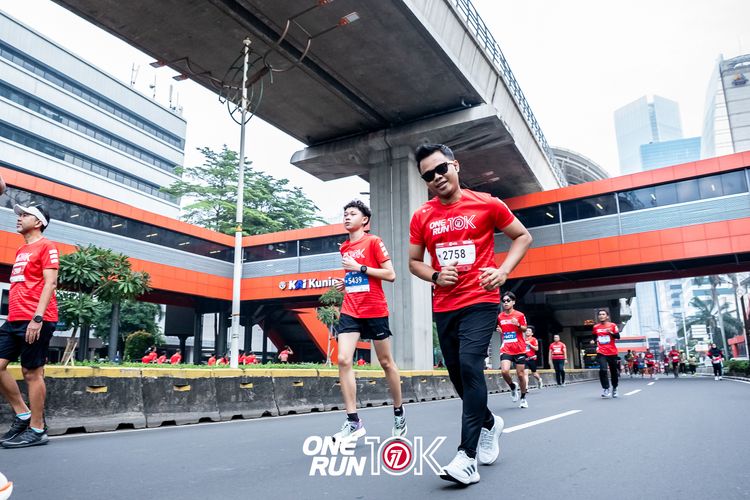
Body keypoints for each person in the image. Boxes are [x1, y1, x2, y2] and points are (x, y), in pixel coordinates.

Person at [409, 144, 532, 485]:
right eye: (428, 175)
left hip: (480, 299)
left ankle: (467, 457)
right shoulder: (422, 216)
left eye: (441, 169)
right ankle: (490, 423)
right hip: (445, 304)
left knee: (469, 365)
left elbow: (522, 236)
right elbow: (414, 262)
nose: (437, 177)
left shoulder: (488, 203)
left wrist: (503, 271)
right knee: (458, 378)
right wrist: (435, 275)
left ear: (455, 166)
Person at [331, 200, 405, 442]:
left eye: (352, 213)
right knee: (343, 359)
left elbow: (390, 274)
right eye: (345, 213)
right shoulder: (344, 247)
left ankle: (399, 412)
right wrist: (345, 283)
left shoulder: (373, 241)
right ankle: (353, 422)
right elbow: (356, 277)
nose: (347, 217)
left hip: (374, 309)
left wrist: (360, 267)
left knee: (386, 362)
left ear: (364, 220)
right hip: (351, 309)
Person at [0, 203, 58, 448]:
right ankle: (23, 414)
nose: (19, 218)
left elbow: (50, 283)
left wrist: (37, 318)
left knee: (31, 373)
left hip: (36, 318)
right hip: (14, 318)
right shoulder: (21, 249)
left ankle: (37, 429)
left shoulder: (47, 246)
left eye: (25, 215)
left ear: (38, 222)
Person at [498, 292, 529, 408]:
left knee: (520, 375)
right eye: (504, 301)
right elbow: (503, 331)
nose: (505, 303)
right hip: (506, 347)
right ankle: (512, 386)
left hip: (519, 348)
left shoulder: (519, 315)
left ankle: (523, 398)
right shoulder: (500, 316)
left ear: (513, 302)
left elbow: (525, 329)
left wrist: (518, 325)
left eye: (508, 300)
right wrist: (501, 332)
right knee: (504, 371)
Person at [591, 309, 620, 398]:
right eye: (600, 314)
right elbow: (594, 336)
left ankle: (615, 388)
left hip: (612, 352)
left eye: (603, 314)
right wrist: (593, 340)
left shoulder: (612, 325)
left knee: (613, 371)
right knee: (603, 370)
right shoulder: (596, 327)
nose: (601, 316)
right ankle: (606, 388)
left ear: (607, 316)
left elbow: (618, 336)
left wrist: (611, 332)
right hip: (601, 352)